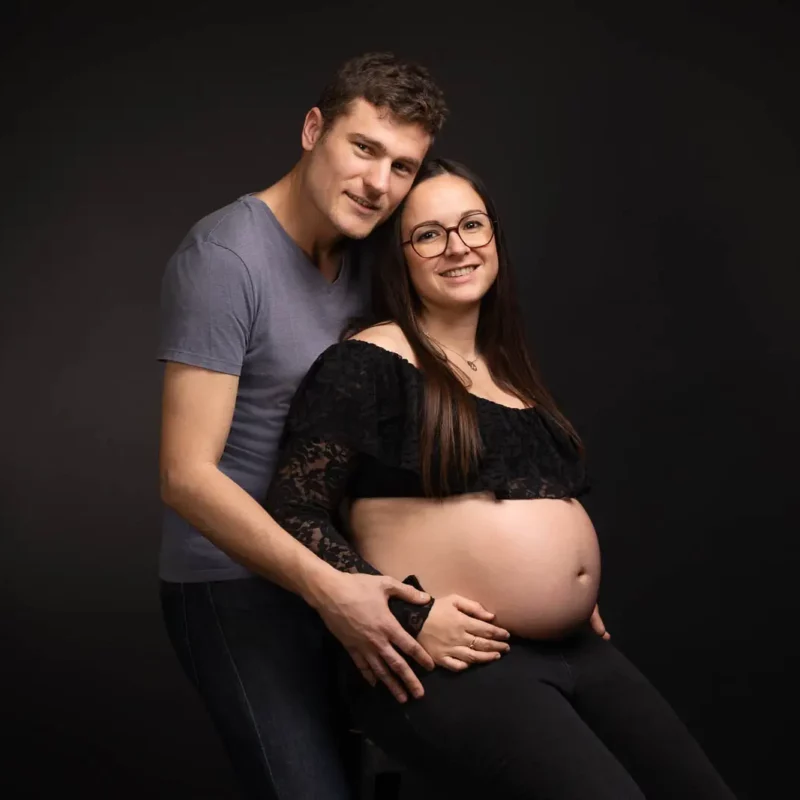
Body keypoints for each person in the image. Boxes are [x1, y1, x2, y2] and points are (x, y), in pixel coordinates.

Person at [264, 158, 738, 799]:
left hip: (573, 649)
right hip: (452, 659)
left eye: (472, 225)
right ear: (398, 257)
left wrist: (559, 586)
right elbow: (295, 512)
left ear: (494, 238)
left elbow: (529, 502)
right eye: (429, 234)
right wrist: (407, 616)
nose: (457, 246)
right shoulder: (367, 362)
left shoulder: (507, 373)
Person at [156, 54, 505, 800]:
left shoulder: (369, 255)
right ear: (315, 130)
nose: (380, 183)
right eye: (364, 148)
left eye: (403, 166)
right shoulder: (225, 258)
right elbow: (186, 477)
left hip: (344, 573)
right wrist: (331, 589)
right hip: (236, 586)